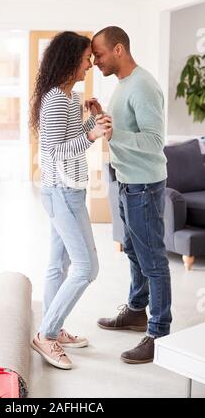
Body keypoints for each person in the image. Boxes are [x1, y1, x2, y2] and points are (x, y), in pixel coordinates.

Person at [29, 31, 110, 370]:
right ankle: (46, 335)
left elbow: (68, 139)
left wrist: (90, 121)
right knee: (86, 268)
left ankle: (54, 328)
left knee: (58, 265)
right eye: (87, 58)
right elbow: (53, 152)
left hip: (66, 190)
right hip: (61, 191)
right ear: (70, 60)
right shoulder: (56, 99)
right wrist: (92, 133)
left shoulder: (66, 96)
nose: (91, 63)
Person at [92, 26, 172, 364]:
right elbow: (124, 131)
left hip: (144, 185)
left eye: (100, 54)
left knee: (153, 259)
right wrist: (101, 117)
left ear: (119, 49)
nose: (95, 61)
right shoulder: (124, 85)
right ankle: (137, 310)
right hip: (127, 180)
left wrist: (115, 132)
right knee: (135, 254)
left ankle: (159, 332)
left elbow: (154, 141)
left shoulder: (143, 85)